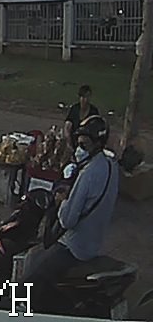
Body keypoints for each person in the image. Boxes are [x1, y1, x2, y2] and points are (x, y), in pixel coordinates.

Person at [22, 115, 120, 298]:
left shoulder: (88, 174)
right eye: (79, 144)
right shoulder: (111, 166)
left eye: (84, 145)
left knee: (27, 283)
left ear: (97, 144)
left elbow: (67, 220)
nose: (80, 149)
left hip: (74, 246)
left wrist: (63, 200)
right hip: (95, 242)